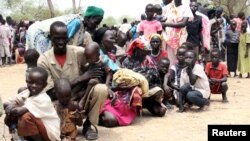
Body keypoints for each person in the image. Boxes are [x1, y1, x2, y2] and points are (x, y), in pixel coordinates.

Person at [37, 21, 109, 140]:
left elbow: (97, 64)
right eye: (57, 38)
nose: (61, 42)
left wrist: (98, 74)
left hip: (80, 97)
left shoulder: (79, 52)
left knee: (101, 89)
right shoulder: (43, 60)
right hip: (57, 102)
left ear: (68, 37)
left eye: (64, 38)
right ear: (50, 37)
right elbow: (49, 93)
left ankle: (88, 125)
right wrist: (81, 78)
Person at [3, 67, 60, 141]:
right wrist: (10, 106)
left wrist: (11, 107)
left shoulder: (43, 98)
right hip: (39, 128)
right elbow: (6, 102)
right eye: (31, 82)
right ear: (27, 81)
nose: (33, 85)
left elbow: (18, 111)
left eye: (38, 83)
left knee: (26, 117)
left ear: (44, 85)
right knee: (12, 115)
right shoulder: (26, 93)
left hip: (49, 134)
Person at [26, 6, 104, 54]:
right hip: (40, 33)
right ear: (88, 18)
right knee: (43, 60)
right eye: (96, 22)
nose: (96, 26)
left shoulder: (83, 27)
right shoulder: (76, 22)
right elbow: (64, 40)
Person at [123, 39, 167, 117]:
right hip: (132, 89)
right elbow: (126, 78)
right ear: (137, 50)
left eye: (147, 52)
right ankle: (136, 106)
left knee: (161, 111)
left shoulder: (148, 59)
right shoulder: (127, 61)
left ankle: (147, 103)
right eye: (144, 51)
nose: (146, 53)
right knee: (135, 91)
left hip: (148, 88)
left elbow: (155, 74)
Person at [162, 0, 193, 65]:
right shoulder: (168, 7)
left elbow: (183, 23)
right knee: (170, 58)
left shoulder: (186, 8)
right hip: (169, 38)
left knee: (181, 57)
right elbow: (163, 19)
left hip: (180, 38)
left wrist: (166, 24)